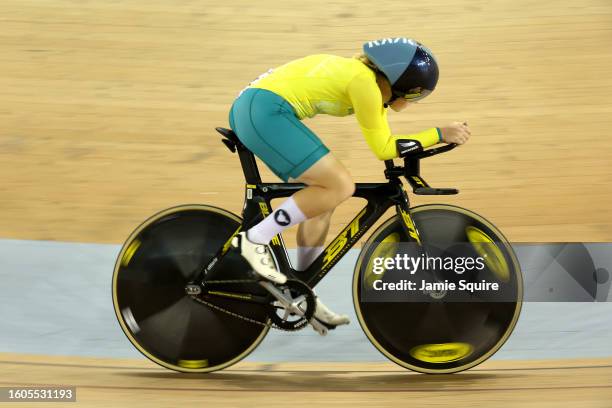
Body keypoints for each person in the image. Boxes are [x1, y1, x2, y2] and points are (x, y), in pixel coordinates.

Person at [228, 37, 471, 328]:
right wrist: (438, 132)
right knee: (340, 185)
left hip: (258, 108)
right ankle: (254, 239)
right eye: (414, 93)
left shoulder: (365, 79)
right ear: (396, 83)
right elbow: (384, 148)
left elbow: (387, 140)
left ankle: (301, 288)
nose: (410, 102)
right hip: (264, 111)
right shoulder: (364, 83)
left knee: (323, 199)